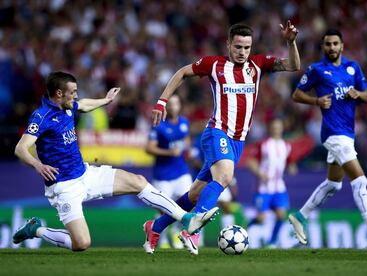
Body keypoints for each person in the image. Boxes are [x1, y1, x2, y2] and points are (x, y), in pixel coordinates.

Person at [12, 71, 218, 252]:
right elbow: (21, 148)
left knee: (138, 181)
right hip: (64, 186)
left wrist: (105, 100)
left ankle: (186, 219)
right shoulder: (41, 116)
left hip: (86, 174)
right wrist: (38, 165)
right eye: (73, 91)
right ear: (58, 93)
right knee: (81, 243)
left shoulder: (68, 106)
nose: (76, 95)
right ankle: (36, 229)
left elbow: (82, 105)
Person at [144, 21, 300, 255]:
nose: (242, 52)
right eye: (238, 47)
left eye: (247, 48)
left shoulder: (258, 64)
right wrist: (162, 101)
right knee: (225, 177)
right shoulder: (214, 64)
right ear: (228, 44)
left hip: (238, 141)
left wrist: (291, 42)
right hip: (218, 132)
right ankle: (192, 230)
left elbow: (293, 65)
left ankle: (155, 226)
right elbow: (181, 73)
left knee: (195, 194)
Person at [288, 29, 367, 249]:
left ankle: (300, 216)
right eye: (328, 44)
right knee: (360, 180)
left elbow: (366, 95)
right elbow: (296, 94)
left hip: (347, 133)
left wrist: (357, 94)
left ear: (342, 46)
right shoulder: (317, 70)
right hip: (333, 133)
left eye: (335, 43)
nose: (332, 47)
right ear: (323, 47)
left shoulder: (353, 67)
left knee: (334, 184)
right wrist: (317, 102)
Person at [145, 94, 193, 249]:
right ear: (166, 107)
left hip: (181, 171)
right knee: (162, 208)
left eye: (176, 103)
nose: (173, 107)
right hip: (163, 174)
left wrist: (186, 148)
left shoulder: (184, 122)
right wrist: (169, 152)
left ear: (180, 105)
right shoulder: (158, 124)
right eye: (170, 104)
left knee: (190, 202)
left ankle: (178, 230)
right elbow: (149, 148)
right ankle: (164, 240)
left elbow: (186, 139)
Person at [247, 118, 296, 247]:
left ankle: (272, 242)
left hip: (279, 187)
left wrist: (292, 168)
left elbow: (290, 162)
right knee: (261, 218)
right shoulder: (263, 145)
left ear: (282, 128)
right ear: (270, 128)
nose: (276, 129)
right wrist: (260, 173)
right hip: (263, 188)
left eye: (278, 127)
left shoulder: (286, 146)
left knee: (281, 214)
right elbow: (251, 162)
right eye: (274, 127)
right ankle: (243, 232)